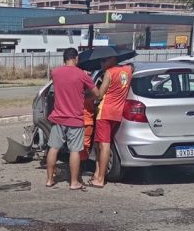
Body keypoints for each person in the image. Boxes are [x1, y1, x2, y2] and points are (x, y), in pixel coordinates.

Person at [45, 48, 96, 191]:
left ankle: (49, 180)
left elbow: (55, 81)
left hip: (59, 117)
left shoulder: (55, 72)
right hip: (75, 119)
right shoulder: (82, 75)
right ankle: (74, 182)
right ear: (76, 58)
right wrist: (85, 90)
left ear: (64, 58)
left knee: (53, 148)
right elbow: (97, 93)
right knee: (75, 151)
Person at [89, 56, 133, 188]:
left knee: (103, 145)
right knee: (99, 144)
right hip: (117, 112)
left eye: (104, 60)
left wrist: (92, 88)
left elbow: (100, 94)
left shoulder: (109, 73)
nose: (102, 63)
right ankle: (97, 173)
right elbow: (132, 67)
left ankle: (100, 178)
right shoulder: (127, 70)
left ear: (112, 59)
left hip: (105, 112)